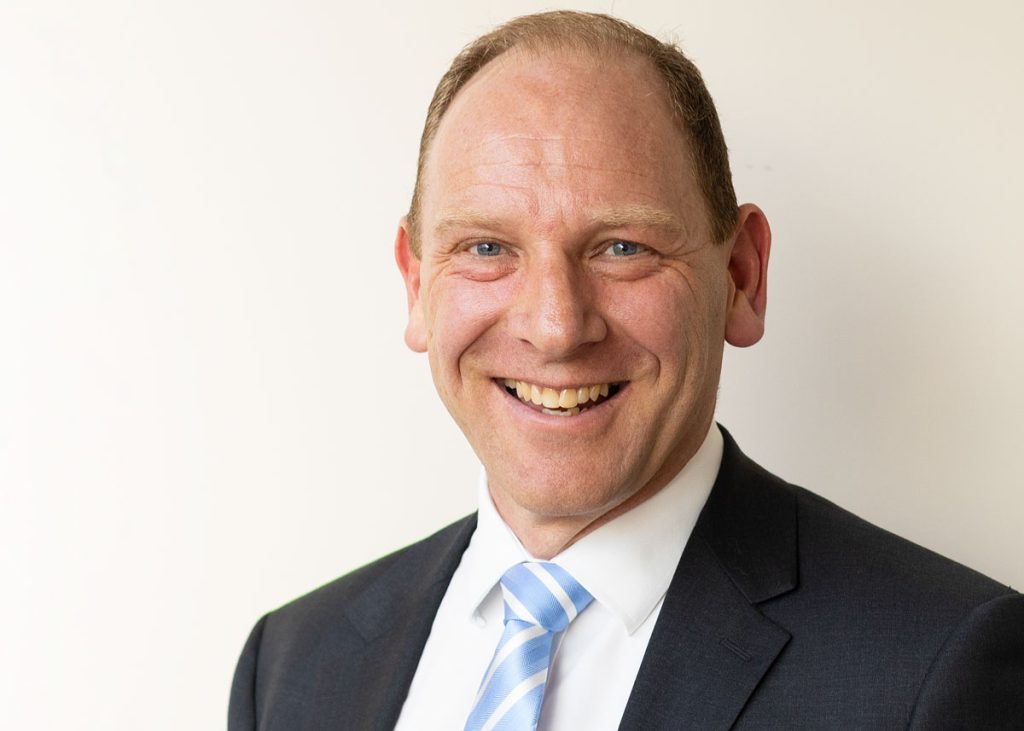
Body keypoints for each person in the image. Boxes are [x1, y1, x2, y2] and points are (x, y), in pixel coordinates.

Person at [228, 11, 1023, 729]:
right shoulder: (293, 666)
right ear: (416, 282)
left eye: (622, 248)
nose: (554, 326)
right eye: (486, 248)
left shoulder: (937, 671)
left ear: (742, 276)